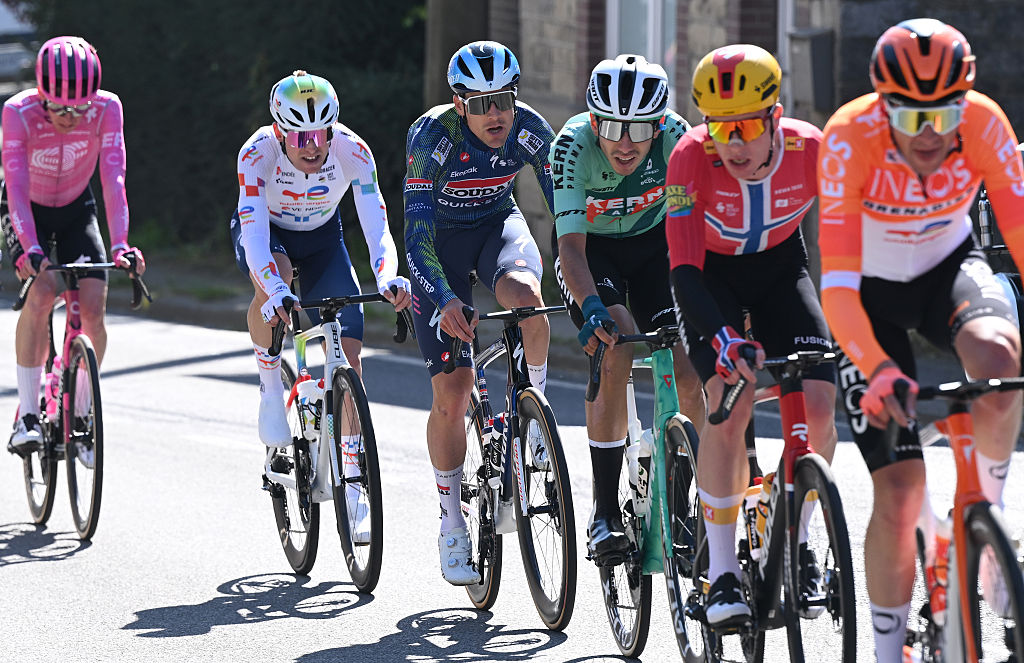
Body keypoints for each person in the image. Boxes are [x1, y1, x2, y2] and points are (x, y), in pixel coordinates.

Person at [817, 19, 1024, 662]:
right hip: (867, 294)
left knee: (1000, 360)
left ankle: (985, 529)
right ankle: (887, 650)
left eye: (945, 114)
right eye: (911, 119)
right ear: (884, 108)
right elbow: (838, 290)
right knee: (902, 491)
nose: (931, 133)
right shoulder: (848, 137)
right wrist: (878, 369)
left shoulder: (985, 124)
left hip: (946, 269)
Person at [664, 44, 838, 627]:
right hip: (710, 278)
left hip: (781, 271)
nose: (731, 144)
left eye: (744, 128)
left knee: (820, 405)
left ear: (775, 117)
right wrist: (722, 339)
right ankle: (721, 571)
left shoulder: (812, 149)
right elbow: (684, 270)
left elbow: (849, 244)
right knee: (728, 403)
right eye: (719, 128)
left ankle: (800, 541)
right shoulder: (690, 157)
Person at [230, 68, 410, 541]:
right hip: (269, 237)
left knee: (348, 356)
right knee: (276, 282)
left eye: (321, 134)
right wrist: (274, 287)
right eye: (300, 137)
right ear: (279, 132)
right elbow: (254, 237)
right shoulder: (257, 153)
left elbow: (376, 226)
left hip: (324, 241)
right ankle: (271, 388)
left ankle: (353, 484)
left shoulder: (353, 150)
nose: (312, 147)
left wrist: (387, 276)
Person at [404, 41, 555, 585]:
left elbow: (567, 210)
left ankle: (534, 417)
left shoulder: (529, 128)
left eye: (504, 100)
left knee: (526, 295)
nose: (496, 115)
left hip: (497, 227)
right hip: (439, 246)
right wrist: (444, 299)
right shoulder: (433, 138)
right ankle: (451, 522)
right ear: (458, 103)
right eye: (481, 103)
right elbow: (416, 237)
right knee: (454, 390)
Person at [549, 54, 705, 563]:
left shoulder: (677, 138)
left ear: (658, 126)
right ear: (594, 122)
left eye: (640, 129)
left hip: (656, 247)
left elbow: (694, 228)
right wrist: (591, 306)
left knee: (687, 364)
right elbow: (570, 248)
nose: (625, 142)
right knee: (616, 343)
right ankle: (604, 512)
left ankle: (680, 500)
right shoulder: (571, 146)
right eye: (613, 127)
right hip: (593, 253)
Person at [2, 36, 146, 453]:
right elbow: (15, 187)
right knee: (43, 292)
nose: (70, 117)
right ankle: (28, 415)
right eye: (59, 108)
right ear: (41, 95)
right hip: (25, 208)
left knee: (94, 307)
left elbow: (113, 180)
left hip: (75, 207)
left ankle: (81, 409)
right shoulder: (19, 112)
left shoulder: (108, 108)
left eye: (80, 108)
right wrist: (30, 248)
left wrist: (121, 245)